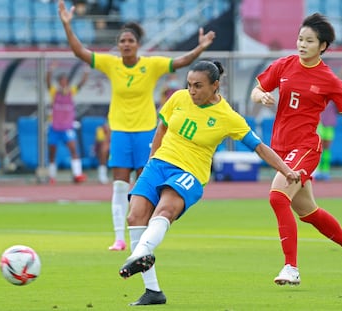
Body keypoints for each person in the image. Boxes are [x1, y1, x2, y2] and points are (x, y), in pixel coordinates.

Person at [117, 60, 303, 305]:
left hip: (190, 173)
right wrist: (151, 161)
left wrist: (286, 170)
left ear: (215, 85)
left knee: (164, 211)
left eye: (198, 86)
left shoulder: (228, 116)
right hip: (158, 165)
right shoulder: (178, 98)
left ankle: (140, 254)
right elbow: (162, 127)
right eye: (189, 85)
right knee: (135, 217)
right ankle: (153, 291)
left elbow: (259, 147)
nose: (192, 91)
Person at [58, 0, 216, 251]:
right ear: (118, 45)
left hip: (146, 132)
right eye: (122, 41)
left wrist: (200, 48)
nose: (126, 44)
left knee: (145, 184)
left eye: (130, 40)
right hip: (120, 132)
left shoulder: (150, 65)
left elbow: (181, 62)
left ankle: (145, 236)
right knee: (120, 184)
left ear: (138, 44)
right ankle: (119, 238)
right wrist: (67, 25)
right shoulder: (111, 64)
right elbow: (80, 52)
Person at [250, 13, 342, 286]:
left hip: (305, 147)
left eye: (309, 41)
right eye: (300, 39)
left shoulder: (328, 78)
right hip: (280, 149)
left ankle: (291, 267)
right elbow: (257, 90)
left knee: (277, 197)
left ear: (323, 46)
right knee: (308, 212)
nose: (302, 44)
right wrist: (262, 95)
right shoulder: (285, 65)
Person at [46, 61, 89, 184]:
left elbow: (81, 83)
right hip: (55, 126)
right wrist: (50, 70)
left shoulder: (71, 91)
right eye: (62, 80)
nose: (64, 82)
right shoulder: (54, 92)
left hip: (67, 127)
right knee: (52, 151)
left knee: (73, 149)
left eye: (65, 80)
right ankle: (52, 176)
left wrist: (86, 71)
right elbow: (48, 82)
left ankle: (77, 174)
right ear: (59, 82)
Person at [314, 101, 337, 181]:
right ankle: (317, 170)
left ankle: (325, 171)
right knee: (319, 147)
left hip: (330, 123)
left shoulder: (333, 96)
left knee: (327, 148)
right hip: (319, 123)